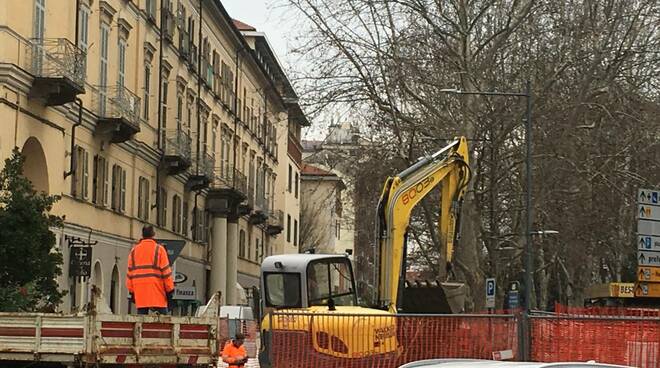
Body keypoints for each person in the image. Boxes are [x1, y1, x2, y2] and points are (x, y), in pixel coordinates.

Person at [126, 225, 174, 315]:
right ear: (153, 235)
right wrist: (170, 290)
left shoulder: (134, 251)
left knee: (141, 317)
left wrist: (131, 291)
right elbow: (166, 273)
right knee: (163, 319)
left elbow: (129, 274)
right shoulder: (159, 249)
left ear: (142, 235)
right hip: (156, 290)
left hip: (140, 290)